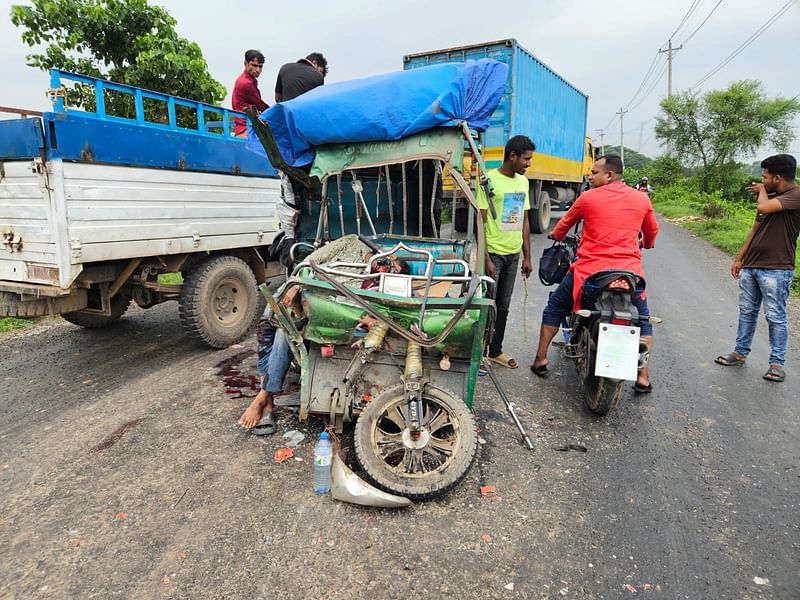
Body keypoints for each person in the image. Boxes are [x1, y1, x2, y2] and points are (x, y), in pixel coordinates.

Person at [531, 154, 659, 392]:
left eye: (594, 172)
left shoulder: (588, 198)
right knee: (643, 320)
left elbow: (564, 225)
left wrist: (556, 236)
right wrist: (647, 244)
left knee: (555, 307)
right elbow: (651, 232)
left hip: (590, 273)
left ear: (609, 174)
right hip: (630, 276)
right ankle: (642, 376)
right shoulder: (642, 199)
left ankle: (541, 359)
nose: (589, 177)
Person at [715, 154, 800, 383]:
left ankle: (777, 363)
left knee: (775, 316)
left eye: (765, 177)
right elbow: (755, 229)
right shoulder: (771, 195)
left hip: (776, 267)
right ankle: (740, 353)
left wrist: (762, 190)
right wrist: (739, 257)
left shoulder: (796, 195)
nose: (762, 181)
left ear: (777, 177)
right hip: (752, 265)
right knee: (747, 312)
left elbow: (762, 205)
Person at [477, 135, 535, 369]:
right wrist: (486, 258)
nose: (528, 164)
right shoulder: (489, 181)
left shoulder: (523, 182)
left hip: (513, 254)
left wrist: (527, 256)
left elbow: (525, 220)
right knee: (486, 305)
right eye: (526, 159)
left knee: (503, 305)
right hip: (494, 255)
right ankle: (478, 354)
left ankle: (495, 350)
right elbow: (479, 222)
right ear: (513, 156)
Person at [238, 287, 300, 435]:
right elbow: (310, 264)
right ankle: (267, 400)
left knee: (283, 330)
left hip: (325, 305)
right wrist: (296, 287)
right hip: (306, 290)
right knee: (267, 324)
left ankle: (262, 398)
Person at [232, 49, 269, 138]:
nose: (258, 70)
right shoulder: (246, 83)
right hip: (246, 128)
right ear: (246, 64)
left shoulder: (247, 80)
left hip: (245, 126)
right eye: (254, 65)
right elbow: (261, 106)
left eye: (260, 67)